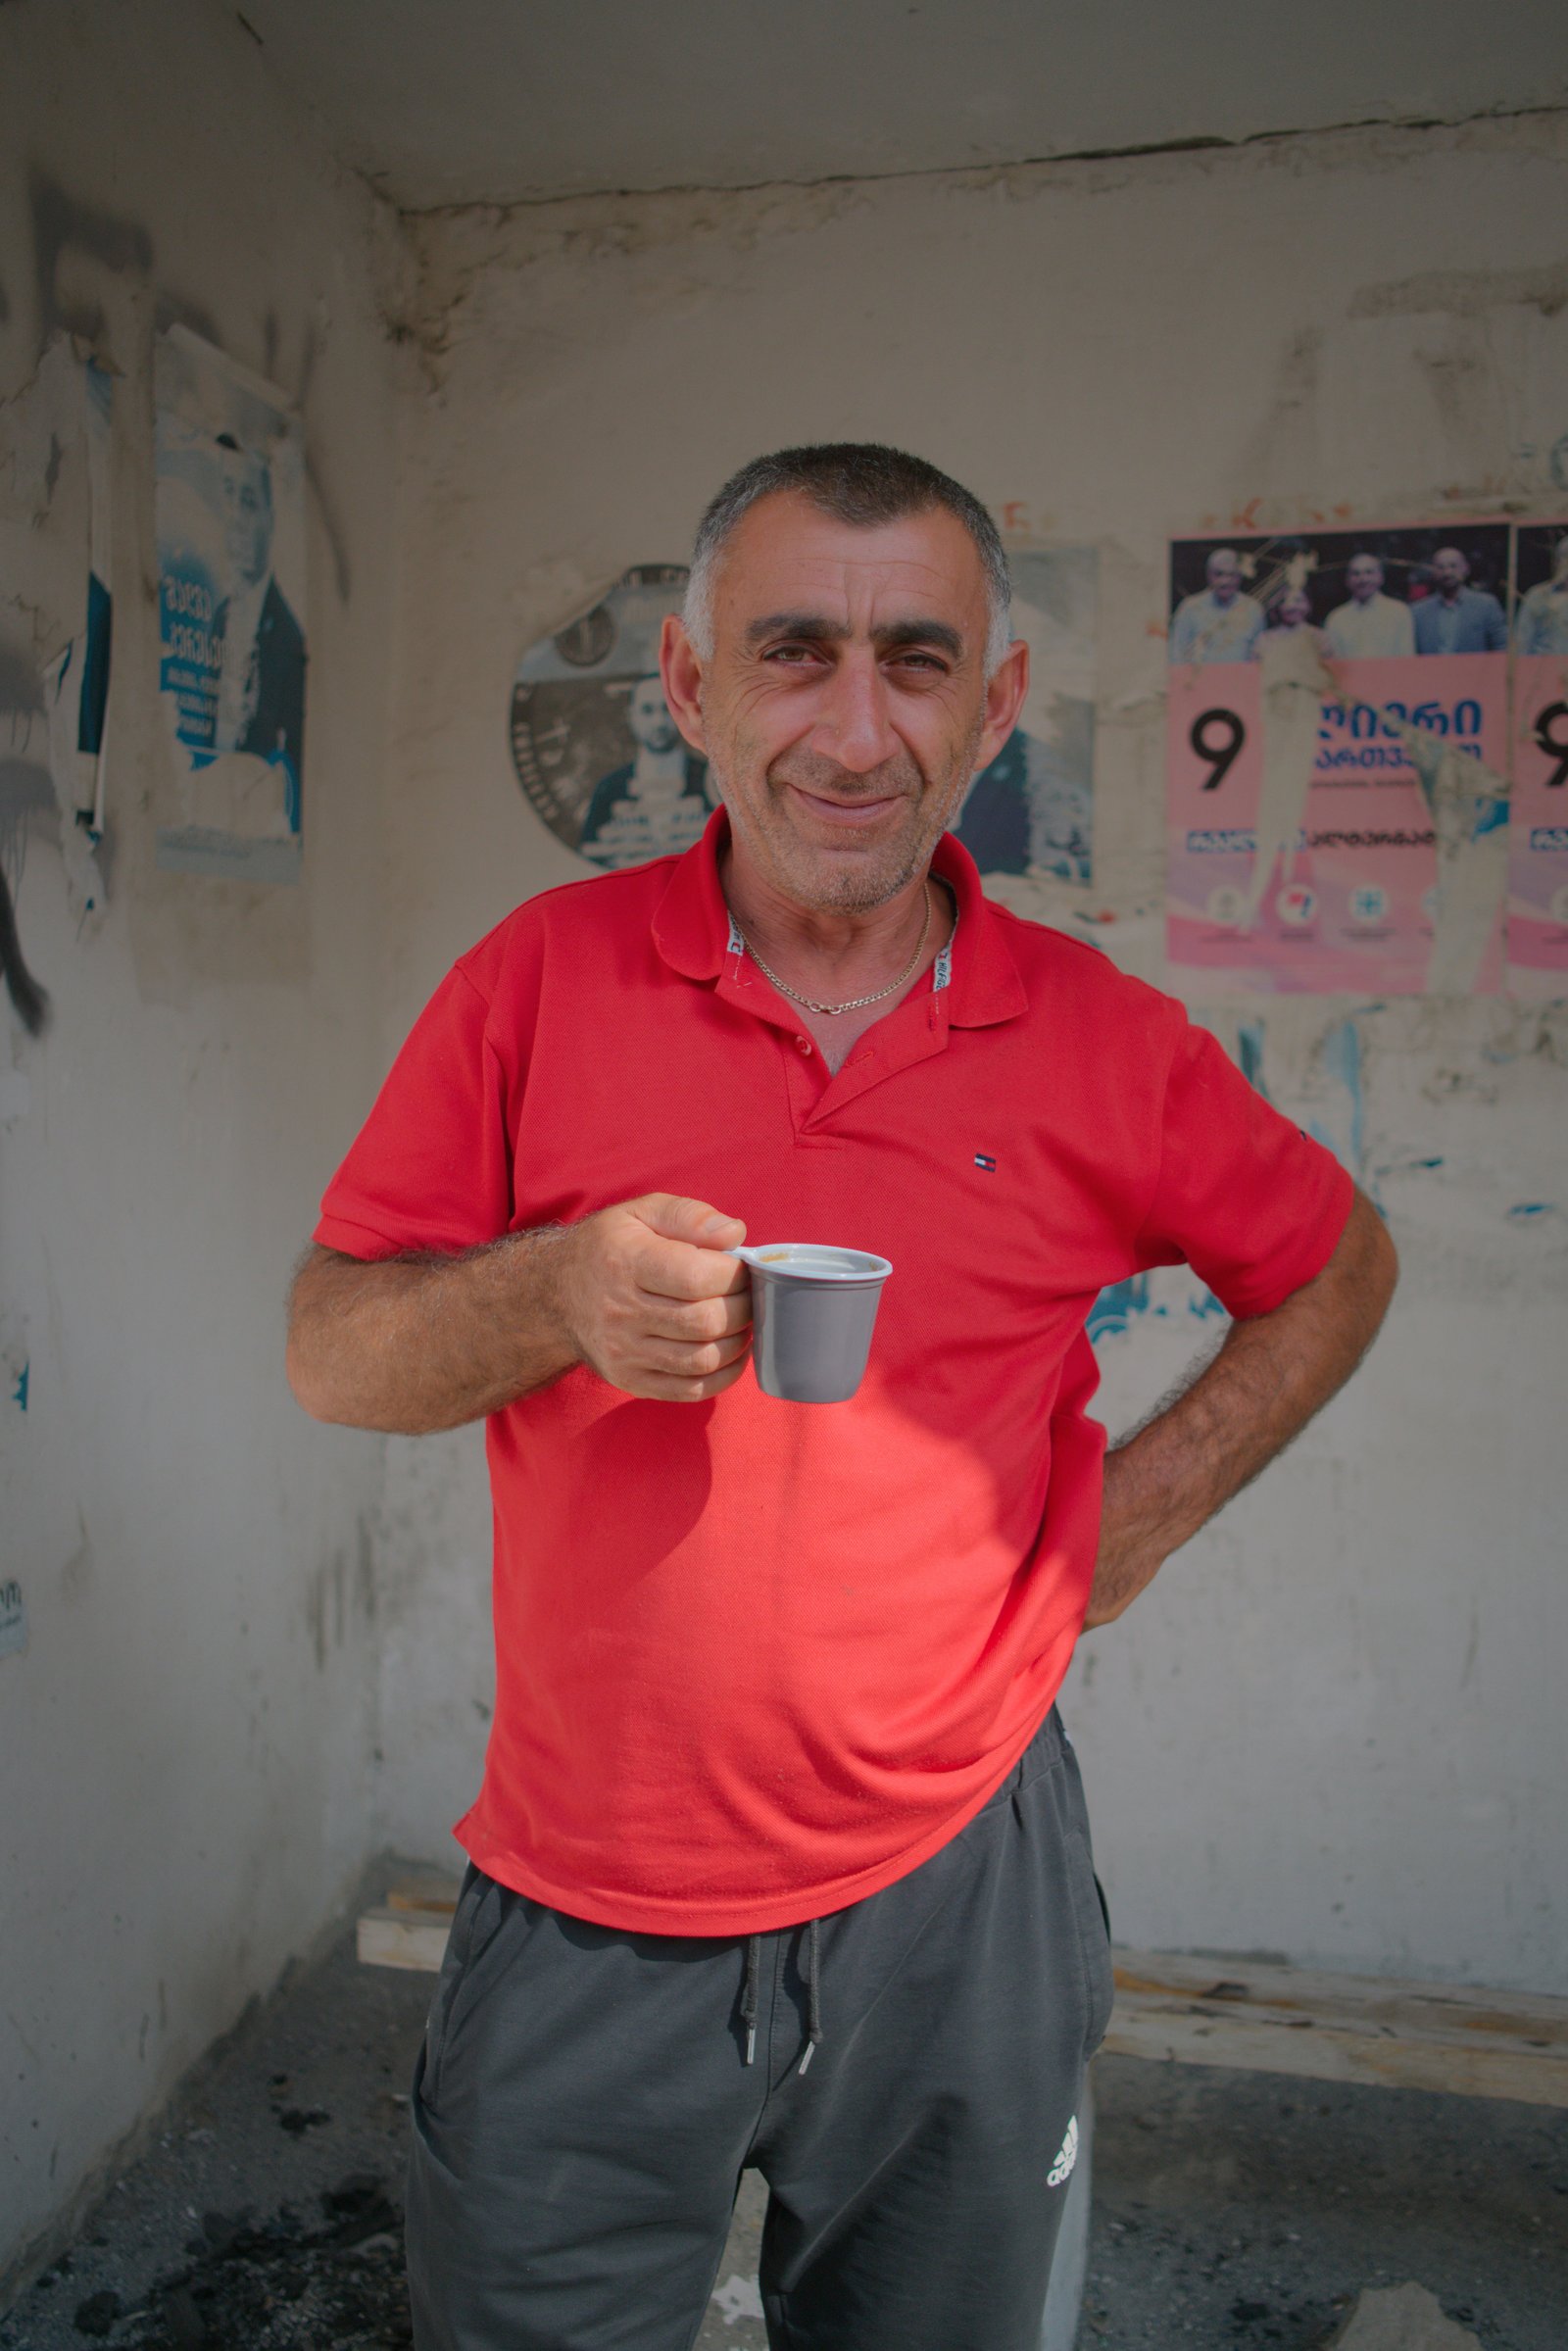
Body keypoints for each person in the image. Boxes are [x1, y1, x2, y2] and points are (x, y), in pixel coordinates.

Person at [286, 443, 1397, 2351]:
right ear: (690, 681)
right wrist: (550, 1289)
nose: (855, 725)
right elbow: (333, 1344)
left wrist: (1133, 1516)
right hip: (582, 1898)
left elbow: (1332, 1261)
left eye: (914, 657)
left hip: (967, 1885)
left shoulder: (1095, 1037)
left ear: (996, 702)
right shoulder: (532, 984)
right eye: (793, 651)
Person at [213, 433, 305, 809]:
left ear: (270, 517)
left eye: (248, 503)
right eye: (229, 496)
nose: (236, 518)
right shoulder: (218, 618)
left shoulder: (286, 638)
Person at [578, 671, 714, 866]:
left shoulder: (711, 781)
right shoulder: (609, 789)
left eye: (666, 710)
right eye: (647, 710)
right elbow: (591, 856)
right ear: (632, 716)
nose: (658, 722)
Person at [1168, 545, 1265, 663]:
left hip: (1241, 680)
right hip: (1199, 680)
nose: (1225, 581)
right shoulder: (1189, 608)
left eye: (1231, 575)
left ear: (1239, 576)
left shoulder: (1253, 609)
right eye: (1219, 574)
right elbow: (1176, 655)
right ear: (1208, 575)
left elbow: (1260, 656)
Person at [1412, 546, 1506, 655]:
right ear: (1433, 573)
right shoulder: (1418, 612)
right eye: (1440, 567)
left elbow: (1502, 647)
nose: (1447, 572)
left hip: (1476, 671)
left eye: (1453, 566)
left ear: (1466, 569)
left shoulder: (1486, 605)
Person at [1321, 554, 1414, 661]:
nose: (1363, 579)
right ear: (1347, 581)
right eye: (1356, 574)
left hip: (1391, 676)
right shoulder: (1337, 618)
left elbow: (1407, 658)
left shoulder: (1399, 612)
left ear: (1381, 577)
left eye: (1369, 572)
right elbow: (1335, 662)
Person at [1513, 534, 1568, 656]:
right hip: (1545, 671)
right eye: (1565, 558)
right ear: (1558, 562)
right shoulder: (1538, 596)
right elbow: (1522, 644)